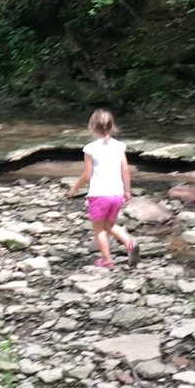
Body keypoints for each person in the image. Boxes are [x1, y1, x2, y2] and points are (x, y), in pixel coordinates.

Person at [68, 108, 139, 269]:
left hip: (99, 194)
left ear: (92, 127)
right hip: (116, 194)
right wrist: (127, 191)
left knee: (99, 229)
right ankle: (130, 243)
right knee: (109, 225)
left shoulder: (90, 148)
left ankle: (107, 260)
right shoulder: (119, 146)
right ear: (112, 126)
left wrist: (74, 189)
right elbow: (126, 170)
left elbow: (87, 175)